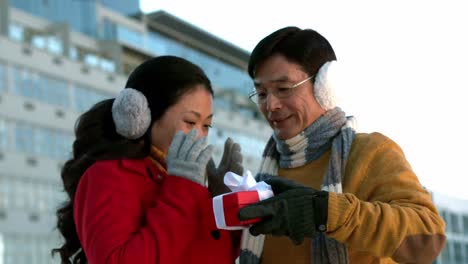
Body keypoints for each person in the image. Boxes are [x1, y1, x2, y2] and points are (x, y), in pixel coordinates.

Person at [237, 26, 446, 264]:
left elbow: (428, 241)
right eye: (262, 94)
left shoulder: (371, 152)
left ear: (325, 87)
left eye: (283, 89)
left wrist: (326, 212)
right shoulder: (263, 174)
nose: (271, 104)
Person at [51, 55, 244, 264]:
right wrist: (184, 189)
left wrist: (223, 205)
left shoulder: (187, 182)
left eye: (206, 126)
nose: (198, 136)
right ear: (143, 117)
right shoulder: (109, 176)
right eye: (190, 122)